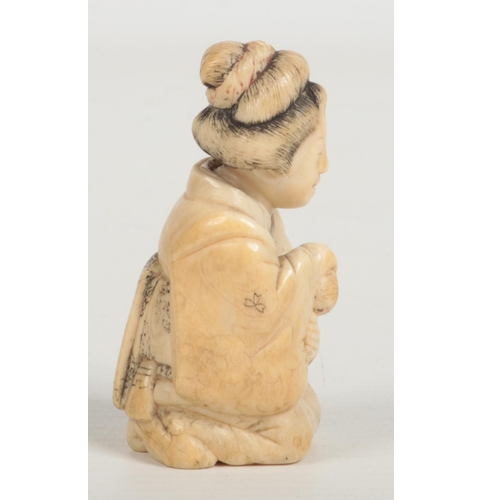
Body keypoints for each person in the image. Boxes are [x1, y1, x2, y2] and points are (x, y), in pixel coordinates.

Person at [113, 41, 338, 469]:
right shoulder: (222, 233)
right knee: (291, 435)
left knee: (305, 408)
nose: (325, 165)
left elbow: (275, 294)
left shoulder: (249, 208)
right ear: (268, 162)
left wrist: (304, 299)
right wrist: (315, 262)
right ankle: (174, 420)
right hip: (194, 374)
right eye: (317, 151)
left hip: (210, 363)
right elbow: (262, 317)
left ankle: (172, 417)